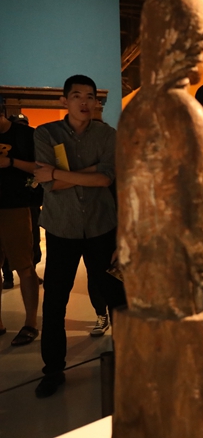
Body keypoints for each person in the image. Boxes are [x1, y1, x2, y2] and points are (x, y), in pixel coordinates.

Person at [32, 75, 127, 398]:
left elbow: (106, 179)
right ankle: (52, 370)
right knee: (55, 301)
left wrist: (58, 172)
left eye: (90, 97)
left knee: (118, 299)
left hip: (103, 227)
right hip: (62, 228)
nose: (84, 102)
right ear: (64, 100)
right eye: (77, 96)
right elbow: (49, 185)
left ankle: (128, 365)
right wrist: (90, 171)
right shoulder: (46, 133)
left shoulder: (108, 135)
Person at [0, 98, 40, 346]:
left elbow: (42, 167)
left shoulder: (25, 135)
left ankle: (31, 323)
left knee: (24, 266)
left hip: (16, 207)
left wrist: (10, 162)